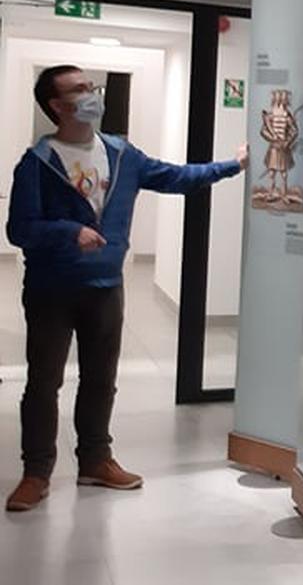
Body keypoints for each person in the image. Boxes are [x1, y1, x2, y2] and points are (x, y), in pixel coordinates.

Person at [5, 65, 246, 512]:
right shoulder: (37, 163)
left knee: (101, 380)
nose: (92, 94)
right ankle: (36, 472)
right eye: (80, 89)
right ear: (57, 105)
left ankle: (96, 460)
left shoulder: (121, 154)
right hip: (51, 290)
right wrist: (69, 232)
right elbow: (19, 229)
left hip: (106, 287)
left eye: (91, 86)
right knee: (43, 383)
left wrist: (232, 166)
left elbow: (176, 177)